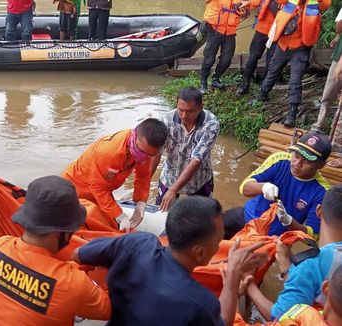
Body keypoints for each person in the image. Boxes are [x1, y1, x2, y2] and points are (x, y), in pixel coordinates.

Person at [73, 196, 268, 326]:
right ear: (200, 254)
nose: (219, 247)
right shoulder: (200, 302)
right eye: (218, 242)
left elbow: (79, 254)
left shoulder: (136, 243)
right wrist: (233, 275)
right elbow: (224, 322)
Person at [0, 175, 111, 326]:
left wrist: (80, 265)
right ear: (62, 233)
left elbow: (40, 273)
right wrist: (105, 270)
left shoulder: (0, 246)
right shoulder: (73, 283)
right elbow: (109, 309)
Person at [245, 184, 342, 321]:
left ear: (319, 211)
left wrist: (249, 284)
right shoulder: (309, 266)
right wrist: (288, 266)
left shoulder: (311, 264)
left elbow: (280, 317)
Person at [62, 118, 168, 231]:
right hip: (76, 189)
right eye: (142, 151)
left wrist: (141, 203)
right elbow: (98, 188)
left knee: (110, 225)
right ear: (136, 136)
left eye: (149, 154)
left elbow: (143, 176)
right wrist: (119, 216)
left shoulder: (144, 151)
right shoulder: (109, 153)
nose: (144, 158)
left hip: (101, 189)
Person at [221, 131, 331, 239]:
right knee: (212, 229)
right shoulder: (279, 160)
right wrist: (263, 187)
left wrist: (289, 221)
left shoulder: (323, 192)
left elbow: (313, 235)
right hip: (247, 217)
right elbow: (244, 188)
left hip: (272, 237)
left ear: (321, 165)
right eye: (296, 156)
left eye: (307, 162)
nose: (297, 164)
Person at [255, 0, 331, 128]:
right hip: (283, 44)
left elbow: (326, 4)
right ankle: (262, 95)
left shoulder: (316, 3)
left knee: (295, 80)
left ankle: (292, 113)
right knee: (273, 71)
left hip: (300, 48)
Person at [151, 86, 220, 212]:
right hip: (170, 177)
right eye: (180, 110)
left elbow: (196, 161)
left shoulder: (211, 124)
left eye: (190, 111)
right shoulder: (165, 121)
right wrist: (145, 181)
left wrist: (173, 190)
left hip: (199, 179)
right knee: (161, 213)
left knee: (202, 216)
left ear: (201, 107)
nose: (184, 115)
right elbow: (156, 154)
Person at [200, 0, 250, 94]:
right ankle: (203, 83)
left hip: (230, 31)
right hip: (214, 28)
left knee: (227, 59)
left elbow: (248, 8)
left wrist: (244, 13)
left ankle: (216, 79)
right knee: (209, 58)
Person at [236, 0, 281, 96]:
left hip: (277, 32)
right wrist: (247, 4)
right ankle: (245, 83)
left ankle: (263, 87)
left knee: (271, 60)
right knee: (254, 56)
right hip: (262, 29)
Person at [312, 7, 342, 134]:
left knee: (331, 90)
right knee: (329, 91)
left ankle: (331, 131)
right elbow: (339, 29)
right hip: (339, 56)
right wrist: (338, 35)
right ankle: (320, 124)